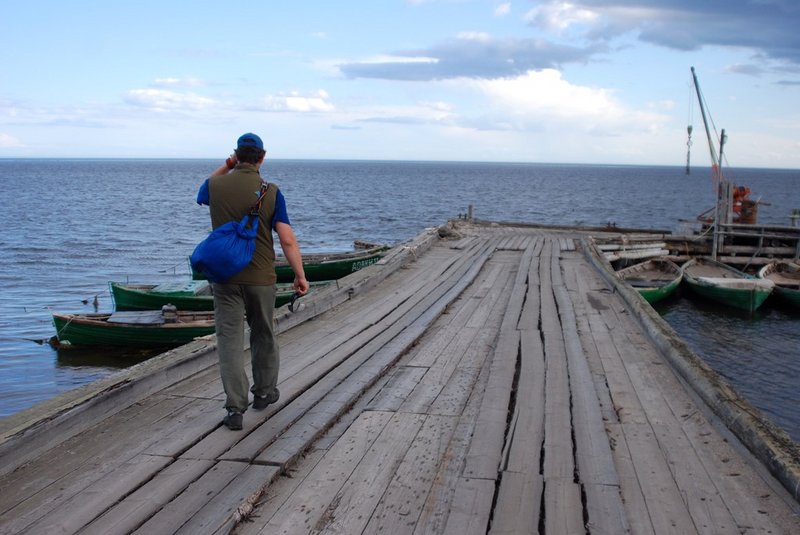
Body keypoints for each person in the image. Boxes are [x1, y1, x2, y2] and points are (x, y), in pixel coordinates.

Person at [196, 133, 309, 430]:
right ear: (262, 157)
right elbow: (286, 239)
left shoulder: (216, 185)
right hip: (260, 278)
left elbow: (201, 193)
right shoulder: (270, 191)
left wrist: (227, 166)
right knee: (264, 334)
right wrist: (299, 274)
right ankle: (264, 393)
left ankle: (235, 410)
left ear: (236, 155)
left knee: (229, 343)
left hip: (224, 278)